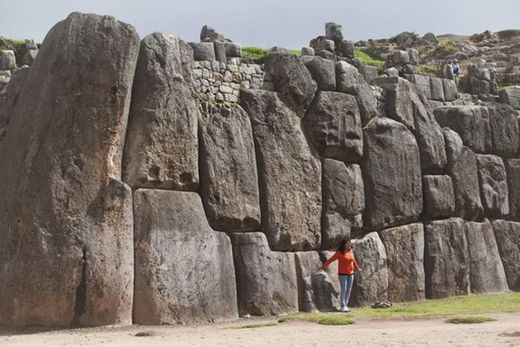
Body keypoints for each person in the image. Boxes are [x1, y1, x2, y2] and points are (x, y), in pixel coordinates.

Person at [319, 239, 360, 312]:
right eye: (347, 243)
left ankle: (346, 304)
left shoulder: (350, 251)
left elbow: (353, 261)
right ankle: (342, 306)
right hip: (342, 274)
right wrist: (323, 266)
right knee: (343, 289)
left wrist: (357, 268)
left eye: (349, 243)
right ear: (343, 244)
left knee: (349, 289)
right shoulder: (339, 253)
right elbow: (330, 260)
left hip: (351, 273)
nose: (348, 245)